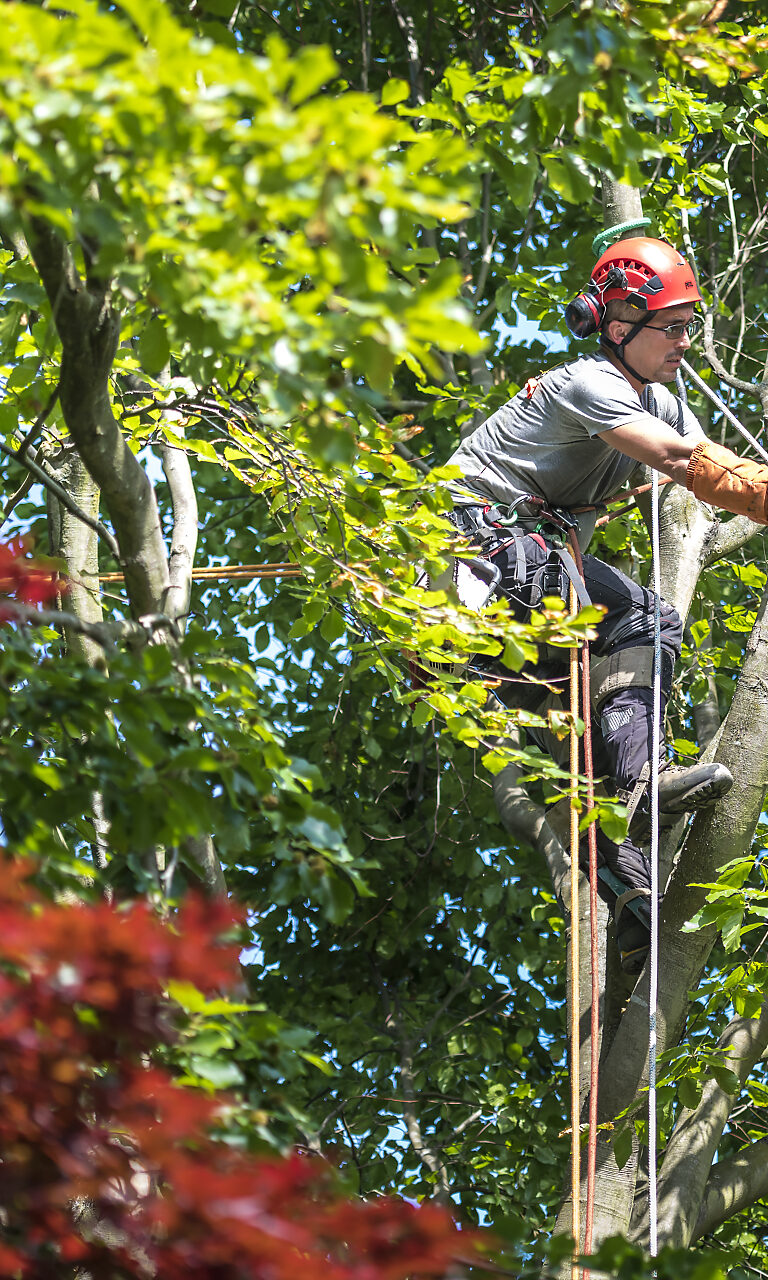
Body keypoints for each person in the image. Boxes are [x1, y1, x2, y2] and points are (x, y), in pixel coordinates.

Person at [445, 236, 767, 973]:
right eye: (672, 327)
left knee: (573, 746)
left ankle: (631, 905)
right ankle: (646, 784)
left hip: (514, 582)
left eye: (691, 325)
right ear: (615, 321)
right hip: (475, 555)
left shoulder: (656, 398)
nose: (685, 341)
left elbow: (718, 462)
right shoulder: (587, 383)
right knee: (641, 620)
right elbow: (686, 464)